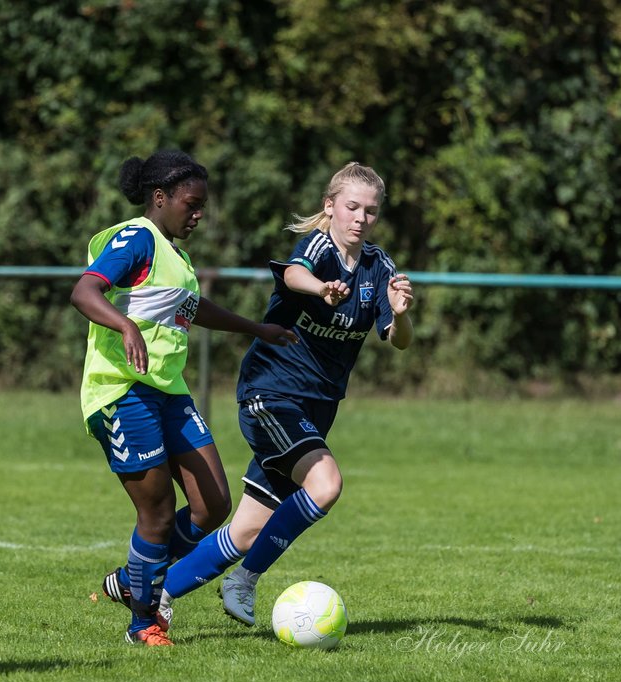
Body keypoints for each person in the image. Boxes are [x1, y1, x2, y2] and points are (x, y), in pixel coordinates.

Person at [104, 161, 414, 630]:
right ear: (329, 207)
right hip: (271, 393)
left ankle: (152, 590)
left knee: (248, 529)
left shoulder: (378, 266)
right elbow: (293, 274)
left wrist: (402, 312)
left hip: (317, 407)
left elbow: (399, 338)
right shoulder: (319, 247)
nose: (360, 218)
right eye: (351, 206)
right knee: (326, 484)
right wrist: (322, 289)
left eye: (370, 211)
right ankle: (243, 582)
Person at [72, 150, 298, 647]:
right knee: (155, 513)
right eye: (191, 204)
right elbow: (85, 292)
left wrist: (258, 329)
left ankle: (132, 578)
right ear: (160, 198)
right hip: (123, 391)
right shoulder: (137, 239)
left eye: (203, 205)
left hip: (168, 392)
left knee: (212, 505)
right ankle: (143, 623)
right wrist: (124, 323)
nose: (199, 214)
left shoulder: (175, 255)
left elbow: (196, 310)